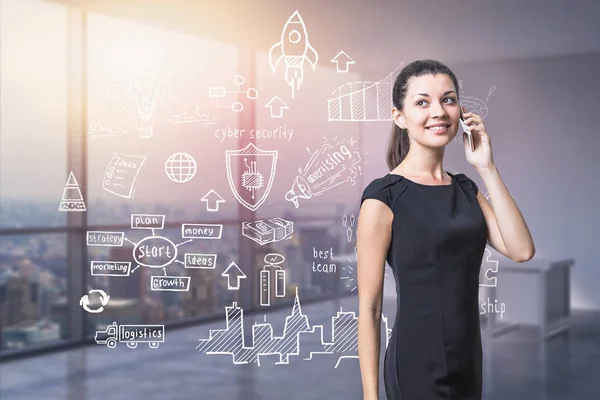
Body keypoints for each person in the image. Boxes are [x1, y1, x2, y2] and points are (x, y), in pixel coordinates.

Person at [356, 59, 535, 400]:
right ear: (399, 116)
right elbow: (370, 307)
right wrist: (370, 396)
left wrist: (487, 167)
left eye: (448, 99)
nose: (438, 111)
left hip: (467, 363)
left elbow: (521, 250)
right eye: (422, 102)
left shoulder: (466, 189)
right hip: (415, 366)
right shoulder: (384, 197)